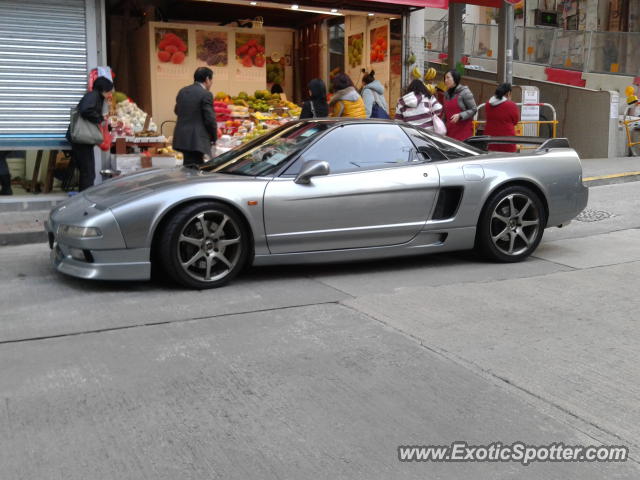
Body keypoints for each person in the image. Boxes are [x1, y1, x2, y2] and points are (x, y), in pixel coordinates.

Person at [66, 76, 113, 191]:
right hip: (81, 139)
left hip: (83, 140)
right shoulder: (93, 96)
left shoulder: (95, 97)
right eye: (109, 91)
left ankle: (84, 196)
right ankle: (84, 199)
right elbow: (85, 110)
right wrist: (100, 119)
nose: (110, 94)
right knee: (88, 172)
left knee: (88, 172)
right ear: (104, 89)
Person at [173, 67, 217, 166]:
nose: (211, 83)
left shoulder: (183, 91)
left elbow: (177, 110)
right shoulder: (206, 94)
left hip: (182, 138)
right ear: (207, 79)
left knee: (188, 166)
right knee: (195, 168)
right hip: (196, 140)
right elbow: (210, 119)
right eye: (211, 79)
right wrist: (214, 138)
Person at [484, 83, 520, 153]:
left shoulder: (488, 104)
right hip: (507, 139)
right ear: (509, 93)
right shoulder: (511, 105)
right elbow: (515, 121)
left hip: (490, 138)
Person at [442, 70, 477, 141]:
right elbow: (445, 114)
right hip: (450, 131)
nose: (446, 80)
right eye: (445, 78)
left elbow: (473, 109)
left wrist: (460, 115)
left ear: (455, 78)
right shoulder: (446, 94)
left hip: (463, 132)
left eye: (448, 78)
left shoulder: (465, 92)